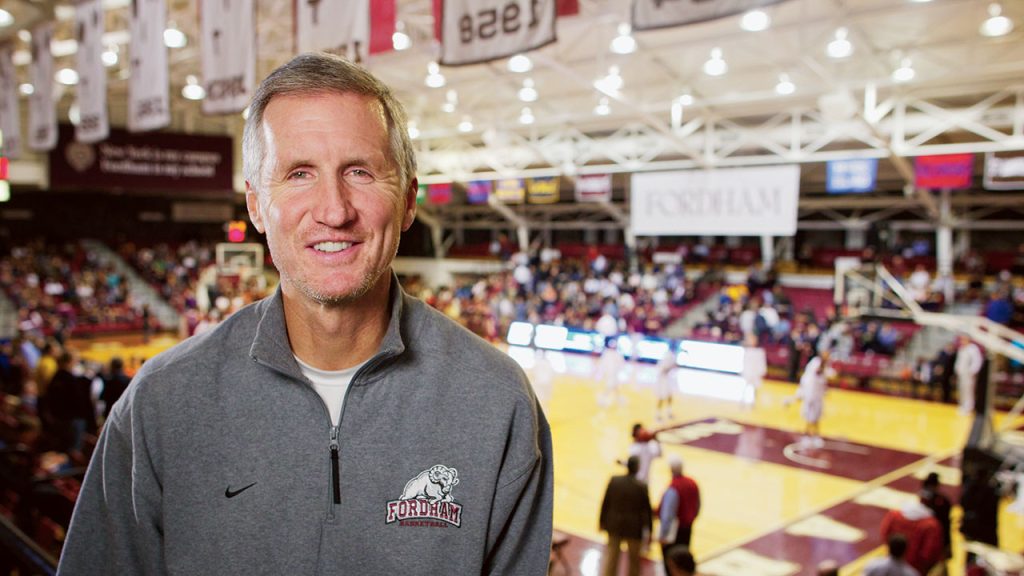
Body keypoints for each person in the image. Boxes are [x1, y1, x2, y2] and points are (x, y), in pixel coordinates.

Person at [58, 53, 554, 575]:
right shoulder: (160, 404)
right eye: (299, 174)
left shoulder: (498, 402)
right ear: (255, 205)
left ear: (409, 200)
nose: (334, 210)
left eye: (360, 172)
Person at [598, 455, 652, 576]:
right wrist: (649, 531)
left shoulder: (615, 480)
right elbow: (647, 511)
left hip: (614, 525)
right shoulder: (641, 486)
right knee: (634, 562)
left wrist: (601, 521)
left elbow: (605, 502)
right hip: (634, 529)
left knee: (612, 559)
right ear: (638, 468)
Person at [657, 456, 700, 576]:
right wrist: (691, 518)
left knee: (674, 563)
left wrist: (663, 535)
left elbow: (667, 514)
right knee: (684, 561)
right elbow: (698, 505)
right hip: (688, 527)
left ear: (671, 469)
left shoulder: (673, 487)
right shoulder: (692, 483)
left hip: (674, 531)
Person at [880, 499, 943, 576]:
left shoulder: (894, 515)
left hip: (893, 562)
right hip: (917, 568)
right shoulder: (931, 525)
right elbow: (929, 553)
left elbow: (885, 533)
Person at [787, 350, 832, 448]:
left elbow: (824, 380)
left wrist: (825, 390)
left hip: (818, 395)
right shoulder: (815, 363)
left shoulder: (826, 365)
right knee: (809, 416)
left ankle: (816, 436)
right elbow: (816, 373)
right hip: (810, 394)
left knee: (817, 416)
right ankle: (807, 435)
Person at [919, 472, 952, 570]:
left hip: (934, 540)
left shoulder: (942, 503)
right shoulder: (943, 502)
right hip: (933, 541)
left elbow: (946, 525)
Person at [954, 335, 984, 414]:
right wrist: (957, 369)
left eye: (963, 339)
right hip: (961, 373)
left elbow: (977, 361)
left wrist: (972, 371)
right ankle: (962, 405)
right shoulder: (961, 349)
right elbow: (959, 361)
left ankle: (969, 407)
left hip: (969, 374)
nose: (962, 341)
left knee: (969, 391)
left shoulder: (973, 349)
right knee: (962, 389)